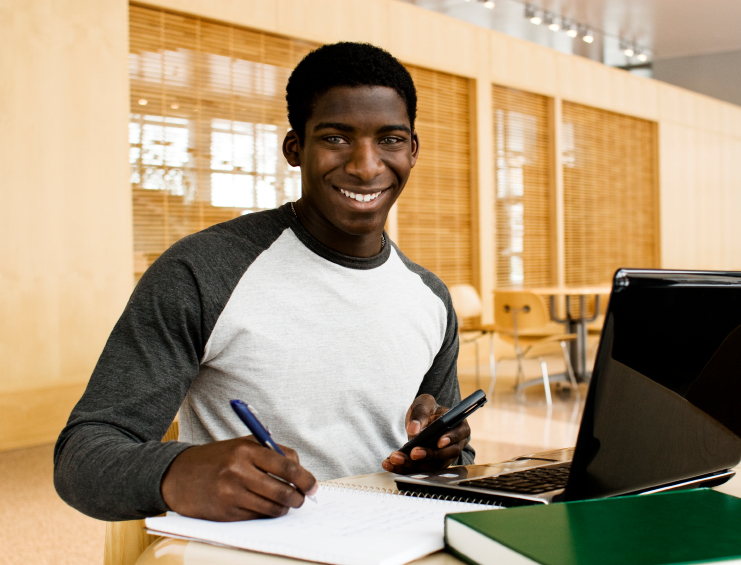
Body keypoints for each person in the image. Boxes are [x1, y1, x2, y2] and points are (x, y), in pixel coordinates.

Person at [54, 42, 474, 522]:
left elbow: (455, 465)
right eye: (336, 138)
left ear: (413, 151)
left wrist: (443, 454)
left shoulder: (430, 297)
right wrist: (178, 470)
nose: (366, 165)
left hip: (396, 541)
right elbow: (81, 458)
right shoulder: (201, 271)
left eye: (390, 140)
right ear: (295, 149)